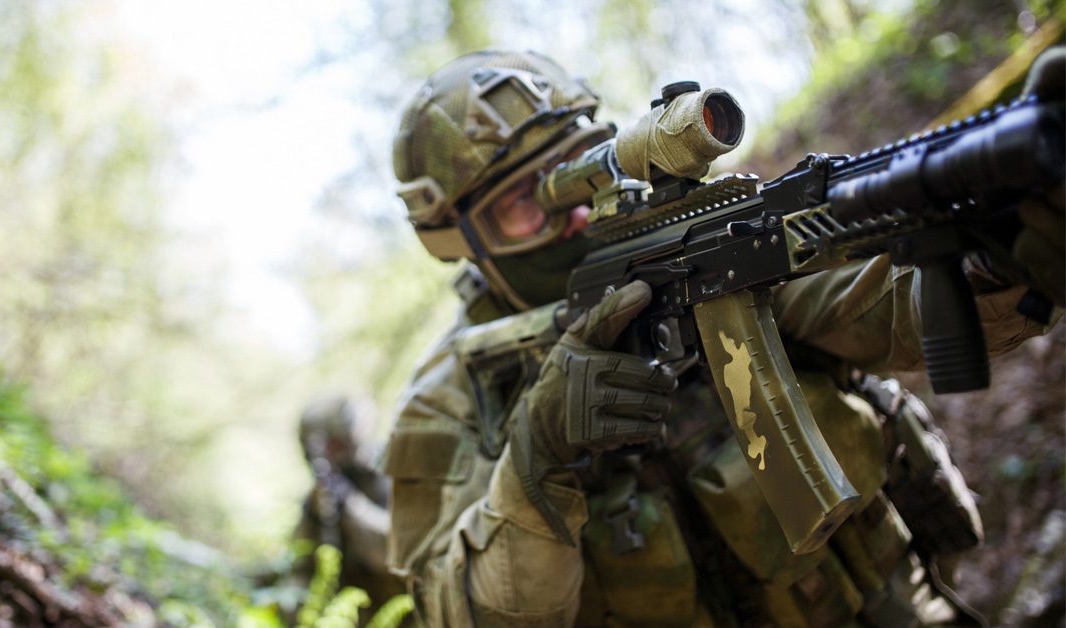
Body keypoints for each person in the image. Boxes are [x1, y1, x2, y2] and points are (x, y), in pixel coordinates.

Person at [380, 49, 1064, 626]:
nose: (574, 211)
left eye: (582, 164)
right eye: (523, 207)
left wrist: (1002, 252)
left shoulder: (696, 239)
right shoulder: (449, 401)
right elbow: (458, 609)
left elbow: (876, 300)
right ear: (462, 243)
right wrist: (536, 459)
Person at [292, 395, 405, 609]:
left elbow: (400, 552)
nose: (328, 455)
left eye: (333, 446)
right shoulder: (318, 498)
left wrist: (349, 506)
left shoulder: (391, 476)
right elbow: (301, 565)